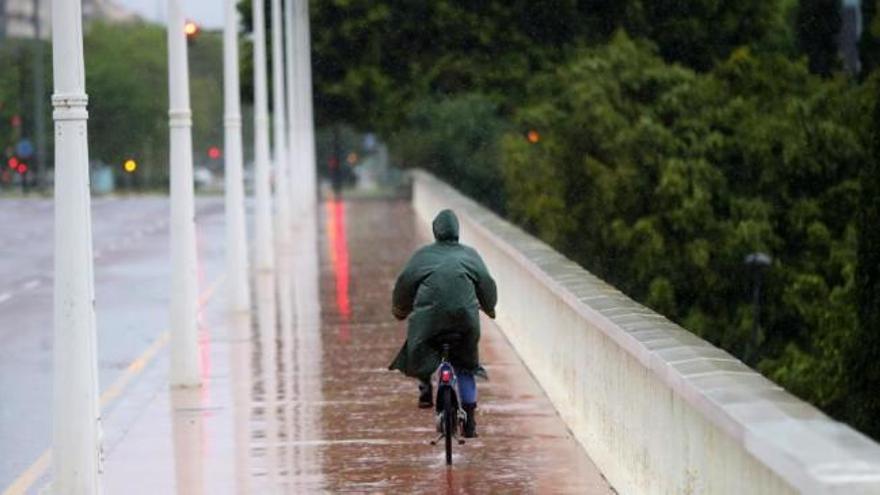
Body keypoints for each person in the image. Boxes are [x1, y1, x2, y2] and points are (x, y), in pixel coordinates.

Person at [389, 209, 497, 438]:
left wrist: (400, 310)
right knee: (466, 364)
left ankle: (426, 388)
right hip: (465, 323)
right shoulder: (470, 255)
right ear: (457, 231)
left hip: (430, 323)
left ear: (436, 231)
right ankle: (470, 421)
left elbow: (404, 284)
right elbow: (486, 282)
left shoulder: (423, 256)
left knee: (418, 344)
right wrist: (489, 307)